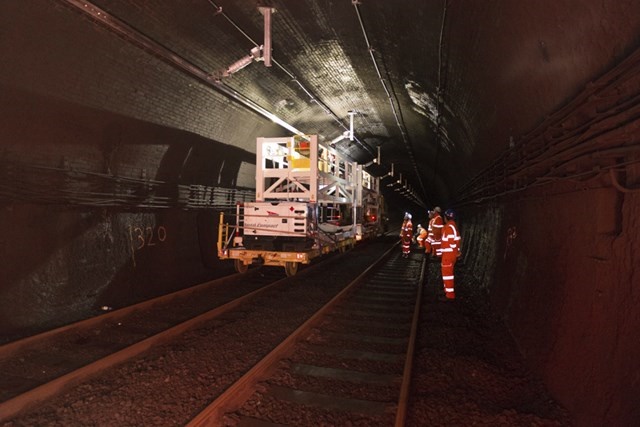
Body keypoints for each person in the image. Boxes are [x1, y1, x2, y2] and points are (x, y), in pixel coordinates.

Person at [440, 208, 461, 301]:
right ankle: (447, 291)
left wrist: (452, 250)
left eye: (444, 216)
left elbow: (452, 243)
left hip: (448, 255)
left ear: (447, 217)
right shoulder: (452, 226)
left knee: (447, 275)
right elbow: (457, 242)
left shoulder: (449, 227)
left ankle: (450, 295)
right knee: (446, 274)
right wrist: (456, 251)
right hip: (449, 255)